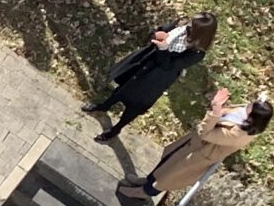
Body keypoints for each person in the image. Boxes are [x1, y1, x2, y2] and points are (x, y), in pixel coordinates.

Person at [128, 85, 272, 203]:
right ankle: (146, 181)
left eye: (252, 105)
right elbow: (224, 113)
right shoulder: (242, 112)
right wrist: (218, 107)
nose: (249, 103)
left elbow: (207, 134)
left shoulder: (239, 135)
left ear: (253, 116)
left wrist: (215, 112)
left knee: (169, 176)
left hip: (198, 154)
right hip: (192, 143)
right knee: (167, 161)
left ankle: (143, 192)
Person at [85, 14, 217, 140]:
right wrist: (157, 35)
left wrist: (164, 49)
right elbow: (159, 31)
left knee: (134, 105)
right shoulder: (181, 26)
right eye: (191, 22)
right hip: (145, 61)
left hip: (156, 78)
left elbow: (169, 66)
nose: (189, 25)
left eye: (193, 26)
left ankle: (116, 129)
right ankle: (104, 106)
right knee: (122, 88)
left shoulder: (196, 52)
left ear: (200, 33)